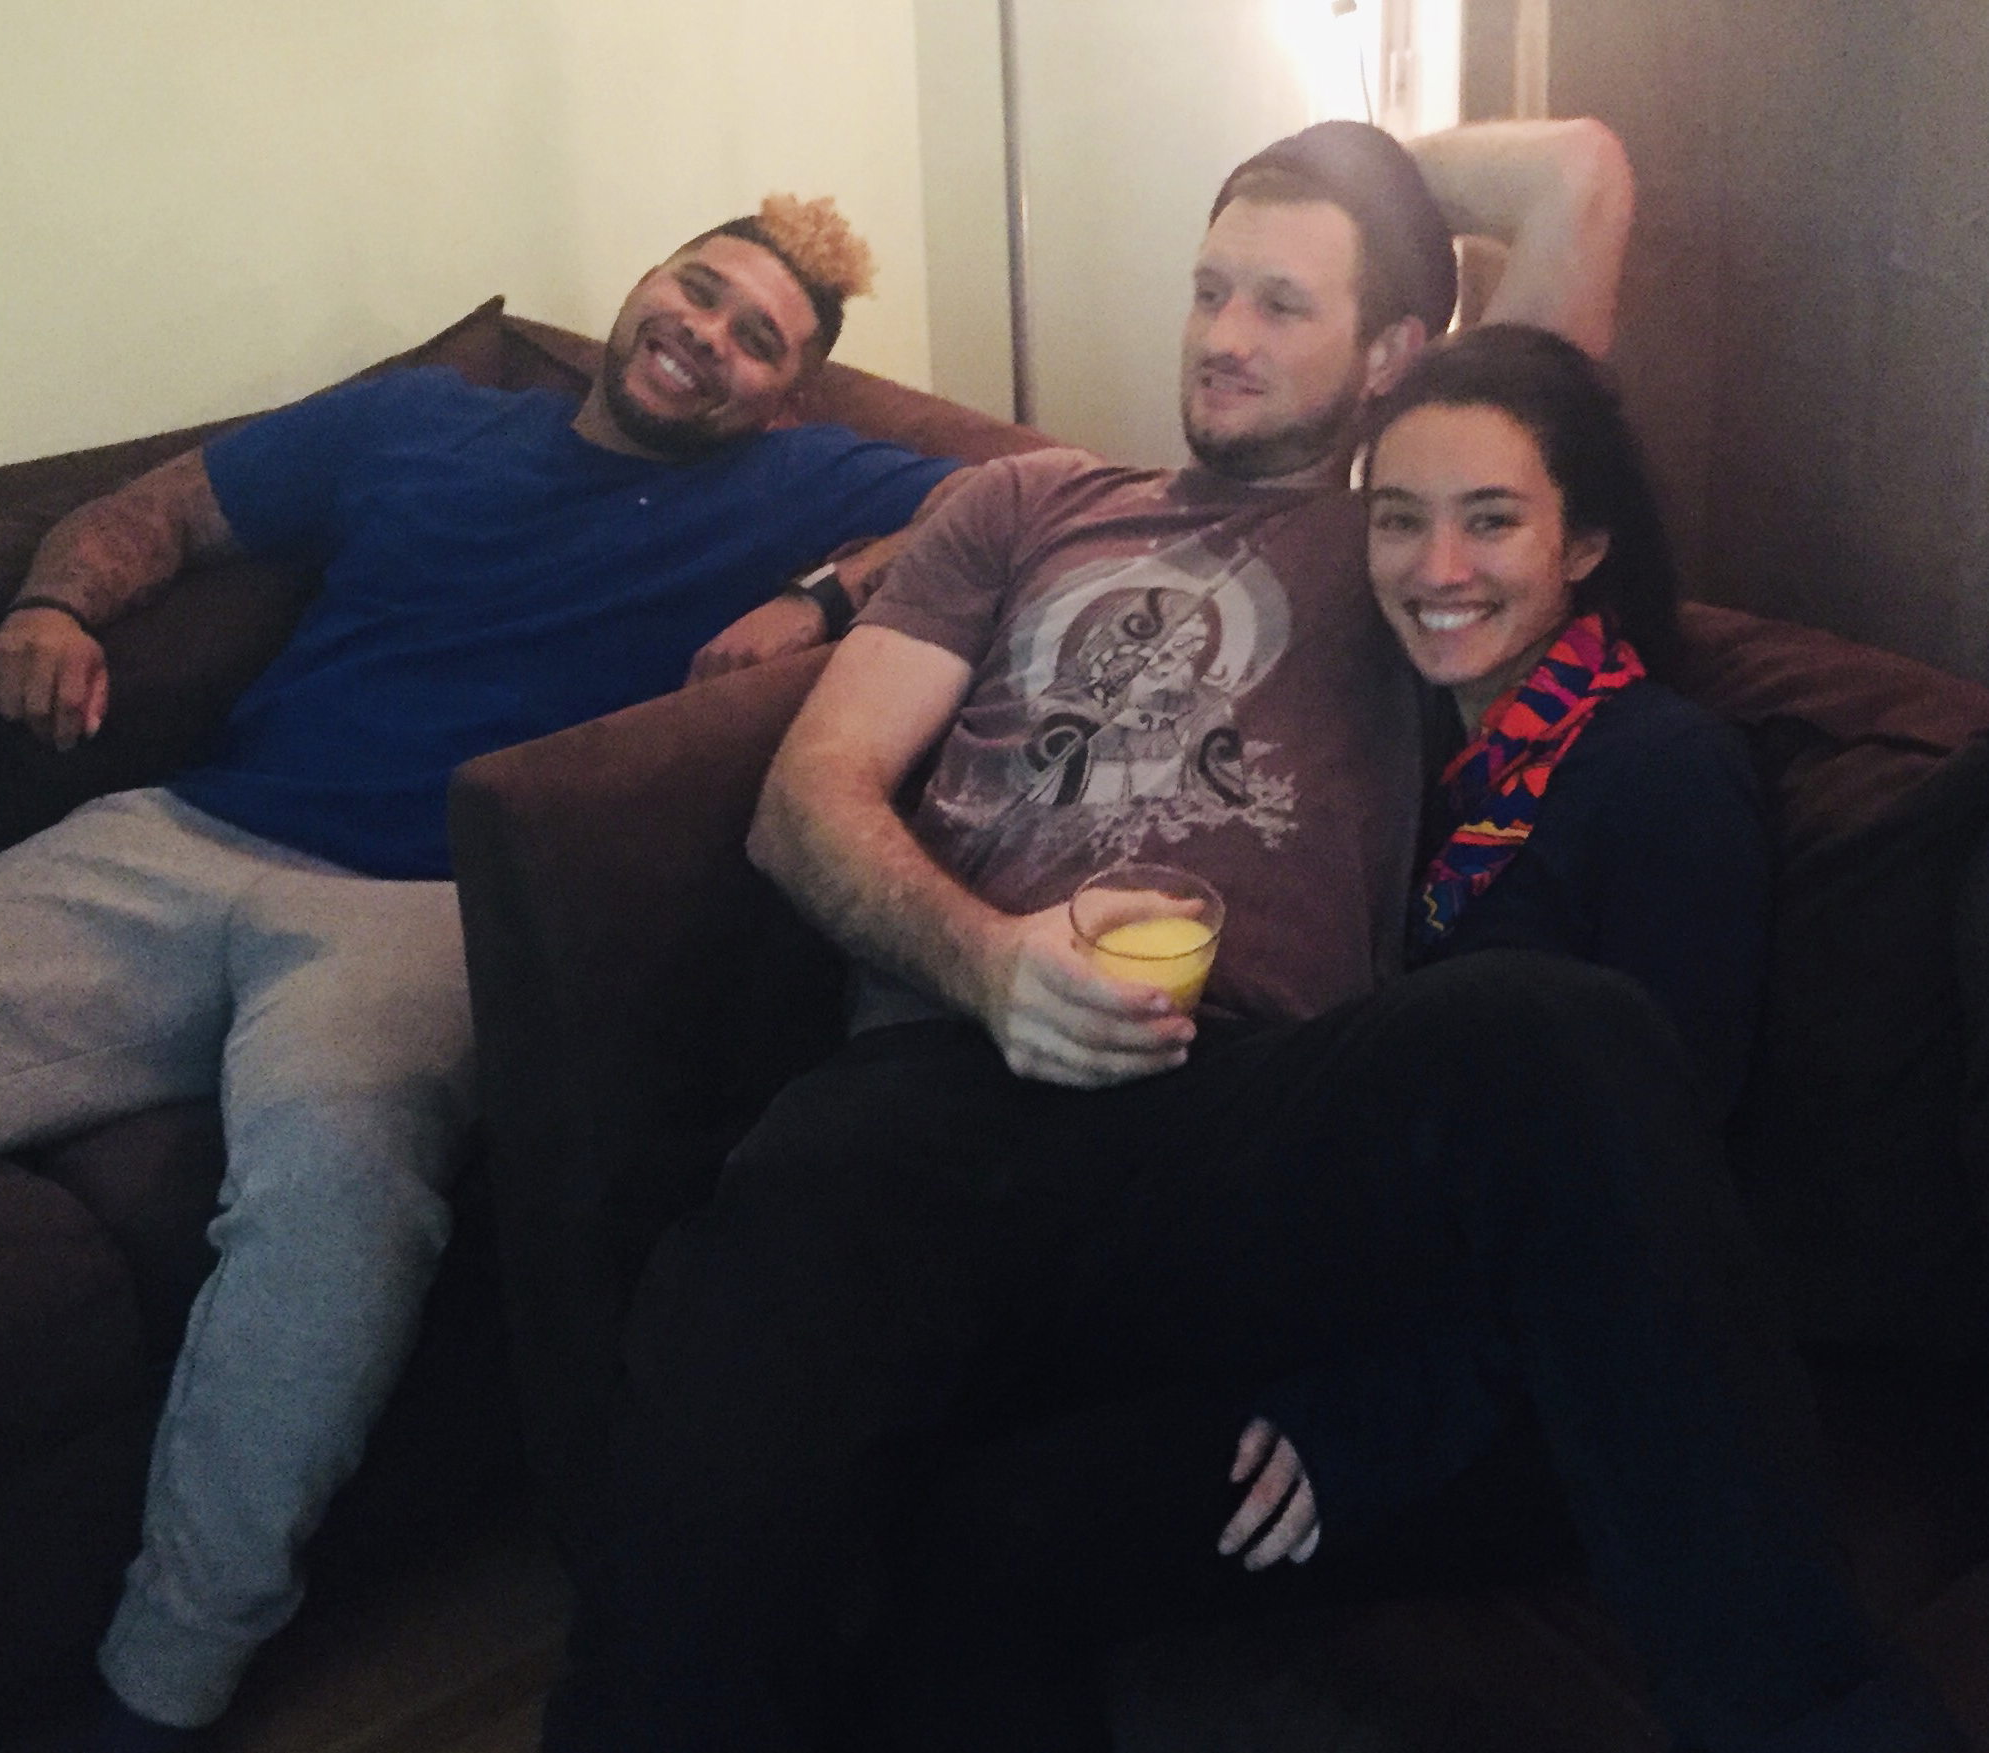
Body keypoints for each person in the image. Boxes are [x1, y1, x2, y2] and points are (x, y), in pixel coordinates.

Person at [545, 125, 1961, 1753]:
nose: (1223, 334)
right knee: (794, 1268)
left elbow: (1572, 174)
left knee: (1541, 1032)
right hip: (939, 1089)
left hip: (1230, 1121)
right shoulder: (1019, 505)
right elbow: (806, 802)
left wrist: (1345, 157)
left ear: (1391, 356)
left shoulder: (1403, 537)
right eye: (1210, 287)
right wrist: (989, 966)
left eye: (1285, 303)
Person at [0, 194, 961, 1750]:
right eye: (701, 290)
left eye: (762, 338)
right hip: (185, 838)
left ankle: (160, 1688)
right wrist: (56, 602)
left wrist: (816, 596)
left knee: (335, 1216)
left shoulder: (802, 478)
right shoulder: (422, 423)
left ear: (785, 392)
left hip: (419, 913)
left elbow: (1036, 496)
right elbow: (164, 510)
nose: (711, 338)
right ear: (642, 285)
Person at [871, 321, 1796, 1749]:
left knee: (1012, 1535)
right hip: (1347, 1289)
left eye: (1490, 521)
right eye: (1397, 520)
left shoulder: (1660, 771)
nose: (1436, 570)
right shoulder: (1412, 757)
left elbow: (1646, 1186)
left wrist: (1380, 1416)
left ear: (1585, 540)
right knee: (944, 1467)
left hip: (1519, 1386)